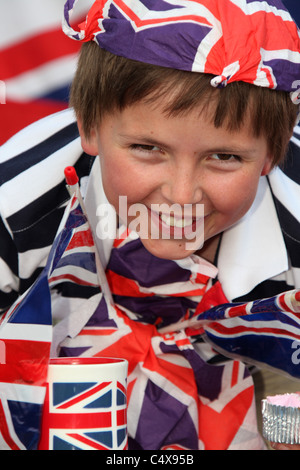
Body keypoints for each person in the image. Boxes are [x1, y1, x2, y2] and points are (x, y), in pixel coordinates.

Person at [0, 0, 300, 450]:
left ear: (272, 154)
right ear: (91, 127)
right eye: (147, 148)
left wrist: (283, 433)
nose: (182, 195)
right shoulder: (14, 212)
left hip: (260, 370)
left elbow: (288, 382)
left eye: (224, 157)